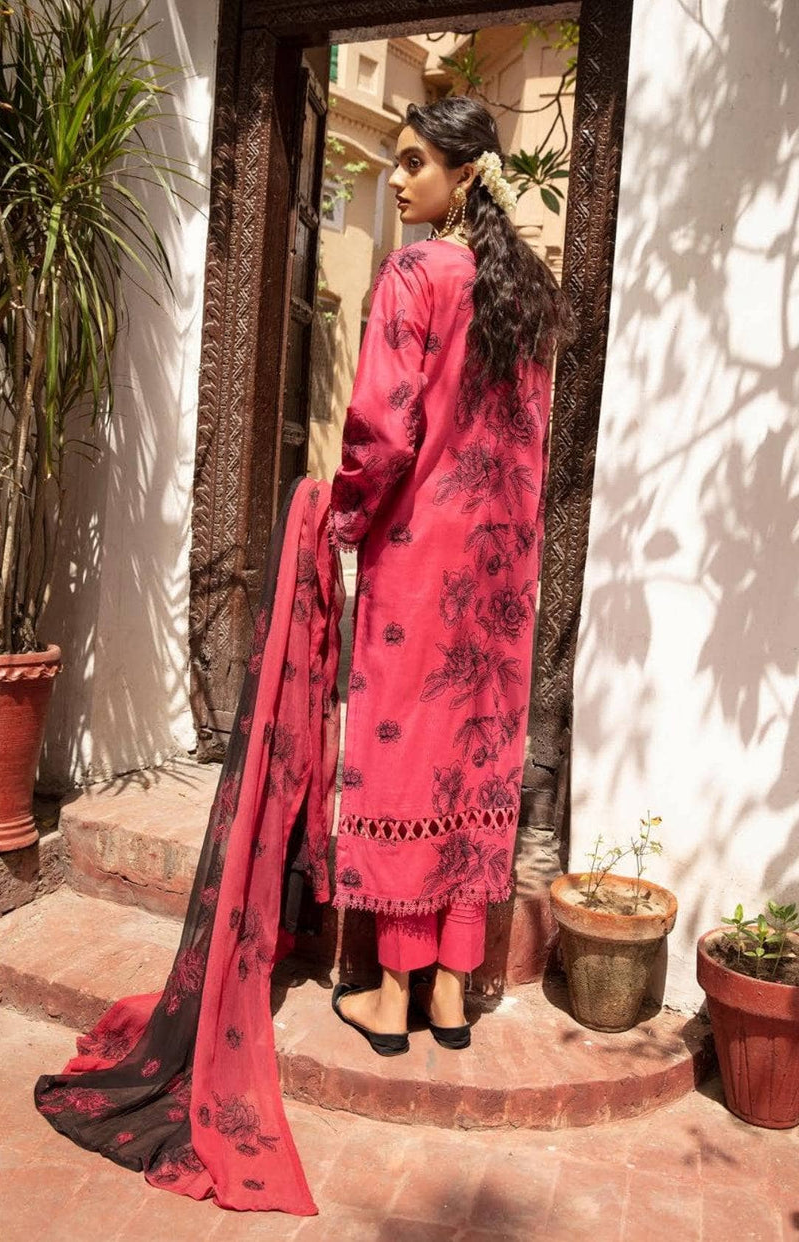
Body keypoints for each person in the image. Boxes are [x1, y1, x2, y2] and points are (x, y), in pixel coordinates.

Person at [327, 96, 573, 1055]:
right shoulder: (529, 293)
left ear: (465, 174)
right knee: (473, 756)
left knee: (407, 754)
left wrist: (342, 516)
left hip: (419, 557)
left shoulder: (413, 273)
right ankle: (452, 994)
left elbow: (383, 431)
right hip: (500, 572)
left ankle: (394, 994)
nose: (396, 179)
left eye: (413, 162)